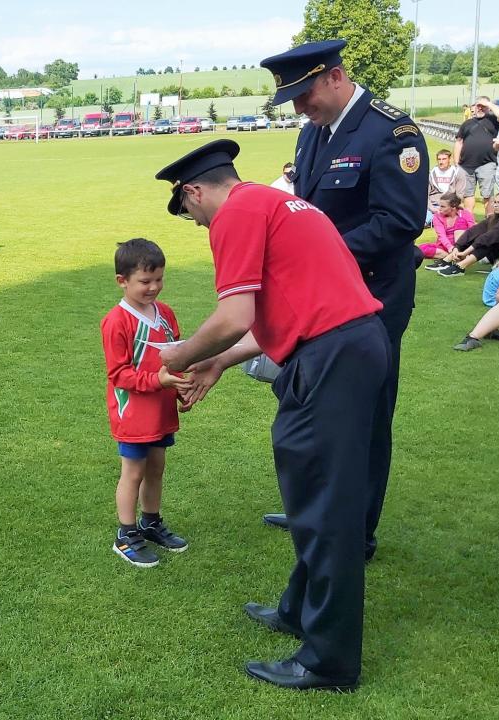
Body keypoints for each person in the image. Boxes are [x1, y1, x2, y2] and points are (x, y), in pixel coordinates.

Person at [155, 139, 387, 691]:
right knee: (315, 498)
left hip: (330, 358)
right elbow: (287, 308)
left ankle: (329, 661)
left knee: (325, 509)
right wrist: (218, 362)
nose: (197, 224)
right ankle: (297, 610)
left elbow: (234, 315)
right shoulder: (280, 202)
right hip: (352, 345)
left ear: (194, 192)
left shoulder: (234, 215)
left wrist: (180, 356)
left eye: (188, 213)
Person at [259, 40, 427, 558]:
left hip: (373, 299)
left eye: (303, 94)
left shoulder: (391, 132)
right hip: (321, 299)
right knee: (315, 405)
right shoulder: (313, 133)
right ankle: (316, 510)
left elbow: (399, 222)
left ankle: (357, 531)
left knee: (364, 417)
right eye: (291, 99)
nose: (298, 107)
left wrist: (317, 253)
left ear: (335, 77)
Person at [101, 238, 189, 569]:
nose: (153, 287)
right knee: (133, 472)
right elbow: (119, 374)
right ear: (122, 281)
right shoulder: (117, 321)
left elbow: (176, 359)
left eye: (159, 279)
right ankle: (125, 535)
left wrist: (181, 389)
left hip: (161, 412)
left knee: (156, 468)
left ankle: (150, 522)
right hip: (134, 415)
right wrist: (158, 381)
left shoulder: (165, 314)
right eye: (145, 281)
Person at [428, 191, 499, 276]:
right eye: (494, 202)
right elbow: (474, 230)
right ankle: (447, 260)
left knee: (488, 241)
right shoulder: (497, 216)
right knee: (476, 234)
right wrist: (457, 247)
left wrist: (465, 253)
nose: (495, 205)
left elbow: (489, 237)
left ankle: (460, 267)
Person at [453, 96, 499, 211]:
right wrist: (456, 162)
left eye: (483, 106)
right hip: (466, 165)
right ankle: (469, 220)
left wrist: (488, 104)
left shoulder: (493, 120)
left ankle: (489, 219)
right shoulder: (467, 123)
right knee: (467, 195)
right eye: (478, 106)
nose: (480, 108)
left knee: (487, 195)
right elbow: (459, 142)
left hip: (486, 163)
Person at [419, 192, 474, 258]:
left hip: (462, 244)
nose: (439, 209)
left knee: (461, 221)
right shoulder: (437, 216)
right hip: (445, 246)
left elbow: (472, 231)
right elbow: (441, 235)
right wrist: (450, 247)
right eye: (440, 206)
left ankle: (456, 254)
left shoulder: (465, 214)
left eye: (443, 206)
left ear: (453, 207)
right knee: (421, 248)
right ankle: (451, 256)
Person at [427, 149, 473, 221]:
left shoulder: (458, 173)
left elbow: (459, 195)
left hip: (451, 207)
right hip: (434, 205)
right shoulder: (431, 174)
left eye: (444, 159)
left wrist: (449, 208)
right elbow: (425, 195)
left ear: (450, 159)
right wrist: (433, 209)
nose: (441, 162)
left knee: (463, 219)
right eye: (439, 159)